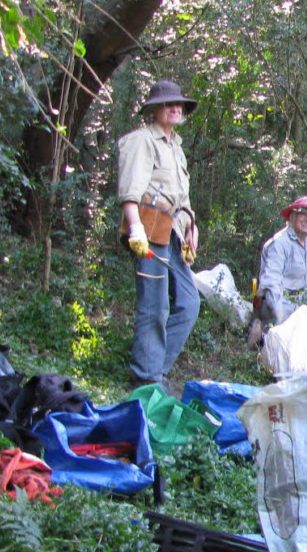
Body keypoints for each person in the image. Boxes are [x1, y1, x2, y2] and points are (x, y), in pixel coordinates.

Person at [117, 79, 200, 390]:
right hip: (148, 230)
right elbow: (130, 190)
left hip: (174, 233)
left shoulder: (176, 147)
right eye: (168, 103)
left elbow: (182, 198)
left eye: (178, 103)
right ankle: (147, 376)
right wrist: (134, 227)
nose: (175, 108)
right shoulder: (141, 141)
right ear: (155, 109)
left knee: (190, 304)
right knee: (155, 304)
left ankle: (152, 366)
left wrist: (192, 228)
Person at [255, 195, 307, 326]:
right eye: (303, 214)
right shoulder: (280, 243)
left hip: (298, 302)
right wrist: (280, 316)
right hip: (277, 303)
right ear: (293, 217)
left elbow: (304, 283)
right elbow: (271, 284)